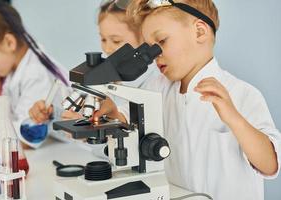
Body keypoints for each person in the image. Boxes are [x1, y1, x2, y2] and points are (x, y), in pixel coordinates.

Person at [91, 0, 281, 199]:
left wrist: (234, 119)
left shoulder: (242, 94)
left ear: (199, 32)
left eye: (162, 41)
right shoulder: (155, 89)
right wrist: (113, 115)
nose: (154, 55)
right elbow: (130, 127)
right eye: (149, 47)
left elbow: (270, 165)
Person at [28, 0, 160, 132]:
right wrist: (52, 114)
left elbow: (127, 129)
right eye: (103, 39)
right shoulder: (108, 72)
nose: (107, 49)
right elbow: (84, 115)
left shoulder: (152, 84)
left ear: (144, 39)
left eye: (116, 41)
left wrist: (90, 129)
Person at [0, 0, 69, 148]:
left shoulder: (36, 73)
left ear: (9, 42)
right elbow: (6, 121)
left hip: (75, 152)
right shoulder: (13, 70)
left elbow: (25, 138)